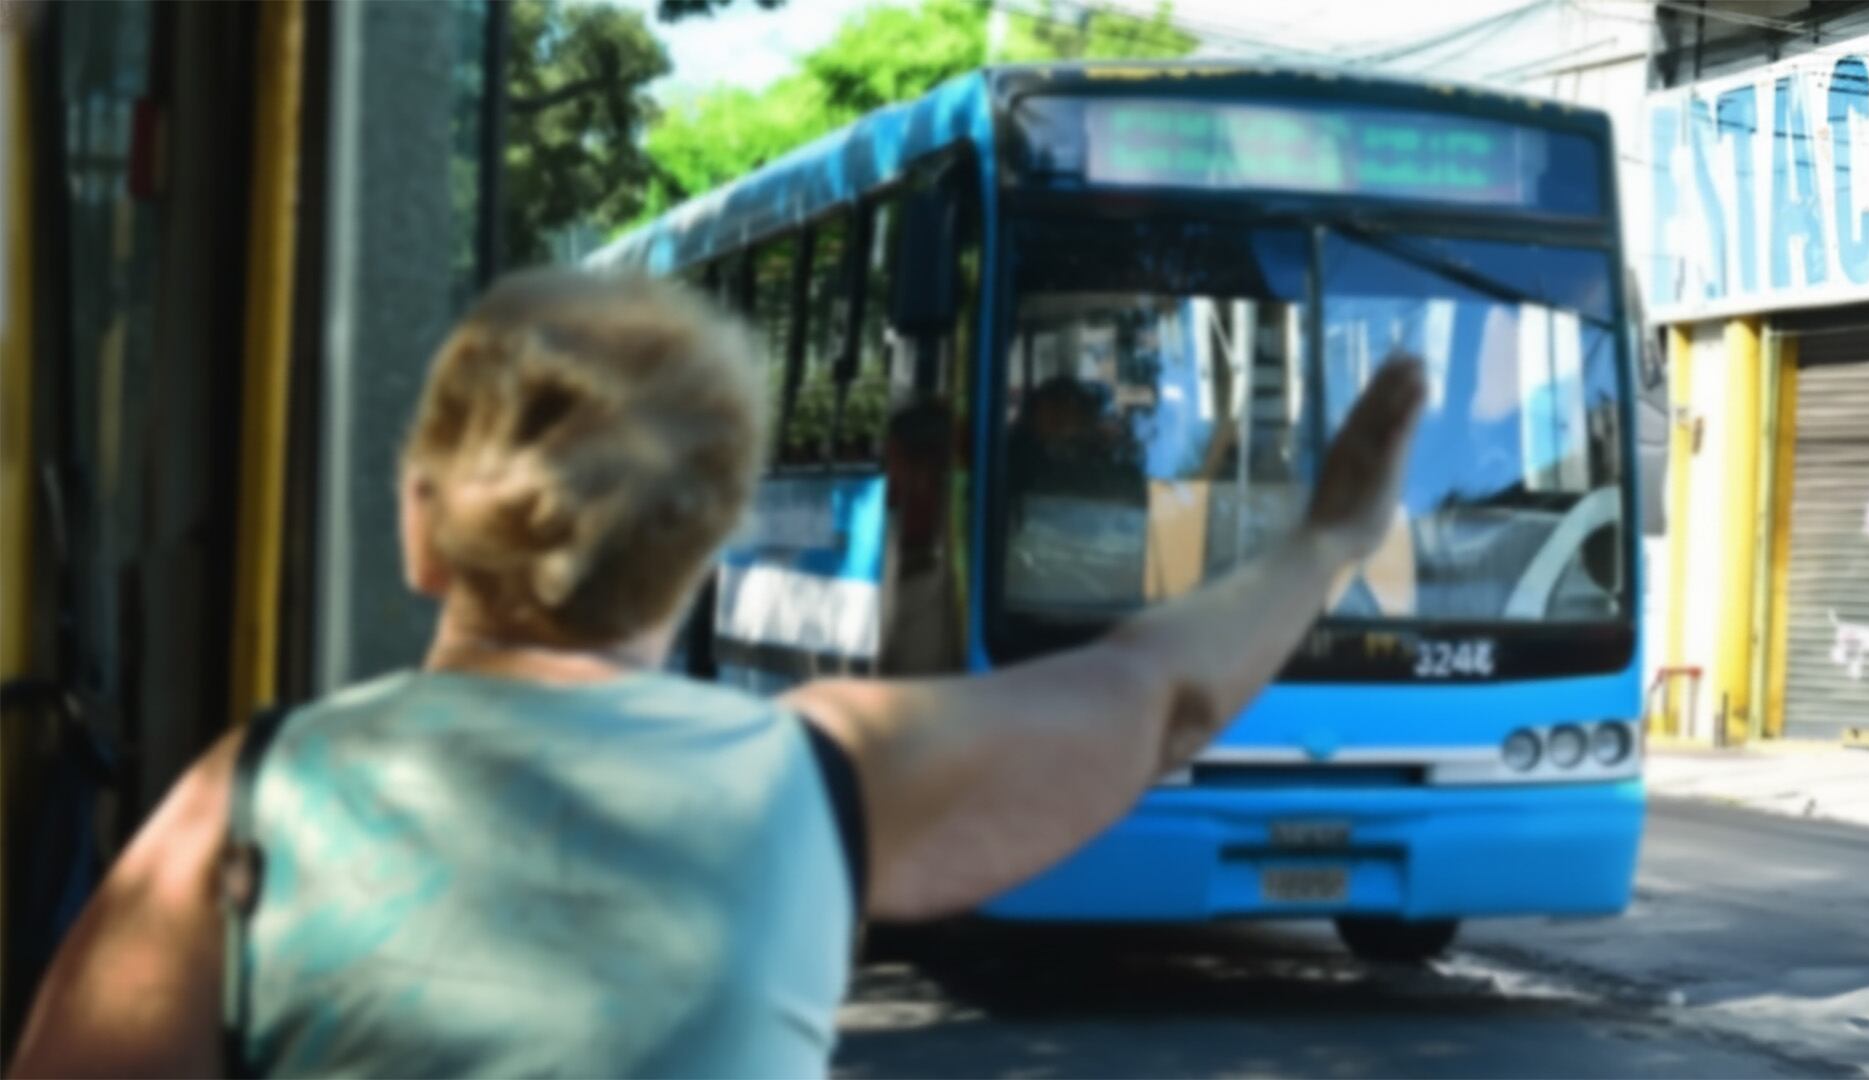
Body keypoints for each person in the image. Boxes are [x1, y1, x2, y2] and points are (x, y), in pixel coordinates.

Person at [9, 269, 1425, 1078]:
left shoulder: (252, 798)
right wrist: (1325, 542)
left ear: (422, 526)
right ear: (705, 543)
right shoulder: (820, 780)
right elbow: (1157, 695)